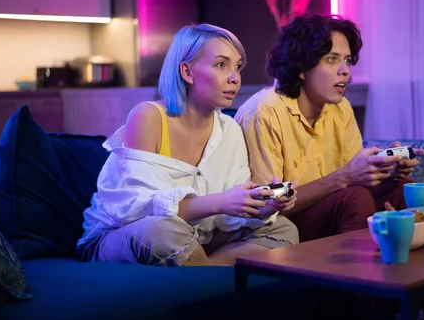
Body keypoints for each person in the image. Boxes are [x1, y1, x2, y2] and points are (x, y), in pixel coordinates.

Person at [77, 23, 299, 267]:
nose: (234, 77)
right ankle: (214, 282)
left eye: (237, 67)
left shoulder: (230, 129)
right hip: (125, 234)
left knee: (284, 229)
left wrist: (262, 206)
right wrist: (221, 201)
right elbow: (137, 210)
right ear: (188, 72)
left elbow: (226, 217)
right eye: (221, 65)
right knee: (164, 231)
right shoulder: (148, 117)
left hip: (199, 237)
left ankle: (205, 270)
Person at [235, 13, 424, 242]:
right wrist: (344, 177)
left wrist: (388, 170)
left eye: (347, 60)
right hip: (279, 225)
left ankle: (419, 272)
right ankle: (355, 276)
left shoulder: (340, 108)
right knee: (355, 199)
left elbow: (355, 178)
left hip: (332, 207)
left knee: (406, 188)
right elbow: (267, 205)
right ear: (301, 67)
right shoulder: (264, 111)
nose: (345, 70)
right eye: (332, 59)